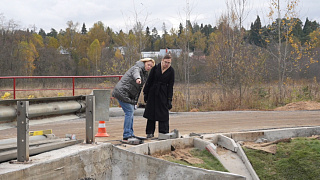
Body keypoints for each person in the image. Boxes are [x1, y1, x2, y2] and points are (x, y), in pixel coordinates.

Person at [112, 58, 155, 141]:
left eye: (151, 66)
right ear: (144, 63)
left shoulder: (144, 73)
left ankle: (130, 133)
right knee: (129, 112)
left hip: (127, 94)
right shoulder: (137, 68)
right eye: (148, 65)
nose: (149, 67)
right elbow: (136, 73)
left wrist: (135, 102)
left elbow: (138, 90)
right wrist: (137, 79)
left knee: (130, 111)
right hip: (122, 92)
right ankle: (127, 134)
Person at [143, 54, 175, 138]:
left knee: (163, 114)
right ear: (162, 61)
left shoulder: (171, 71)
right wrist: (145, 93)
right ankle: (149, 133)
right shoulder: (155, 68)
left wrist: (169, 99)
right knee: (151, 113)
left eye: (169, 63)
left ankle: (163, 133)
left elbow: (171, 86)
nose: (167, 64)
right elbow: (149, 81)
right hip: (153, 92)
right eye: (165, 62)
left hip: (163, 94)